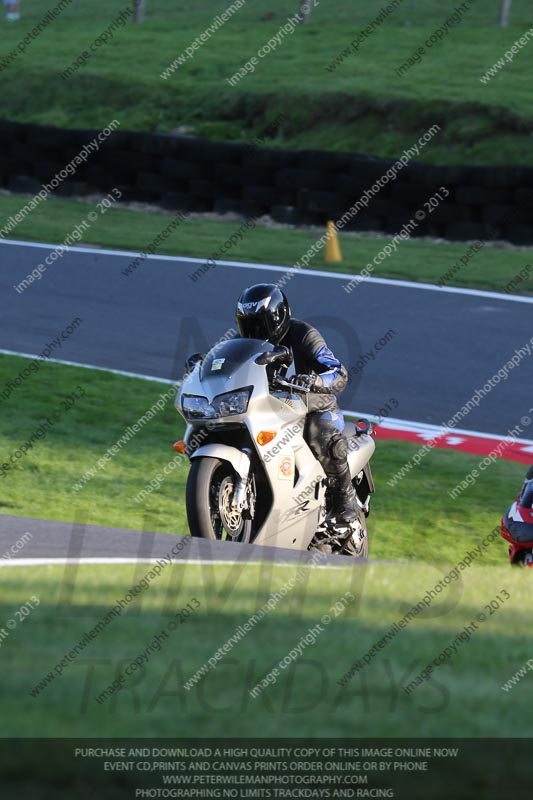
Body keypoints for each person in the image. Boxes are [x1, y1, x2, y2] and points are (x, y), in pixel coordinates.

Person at [235, 283, 357, 525]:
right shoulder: (243, 343)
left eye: (261, 324)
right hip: (268, 406)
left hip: (314, 406)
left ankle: (345, 500)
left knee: (320, 436)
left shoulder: (303, 334)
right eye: (248, 325)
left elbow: (338, 372)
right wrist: (204, 363)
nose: (255, 331)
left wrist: (315, 379)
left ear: (278, 317)